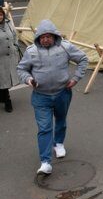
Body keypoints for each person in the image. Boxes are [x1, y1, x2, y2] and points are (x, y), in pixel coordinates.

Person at [17, 20, 88, 175]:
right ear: (38, 38)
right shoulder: (31, 51)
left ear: (54, 36)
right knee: (44, 128)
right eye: (42, 37)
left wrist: (75, 78)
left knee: (61, 119)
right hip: (41, 96)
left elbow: (83, 59)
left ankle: (59, 143)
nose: (46, 39)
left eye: (49, 36)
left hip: (62, 93)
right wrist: (29, 80)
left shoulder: (65, 47)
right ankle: (45, 162)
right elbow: (22, 69)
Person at [0, 7, 20, 112]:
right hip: (0, 59)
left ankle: (3, 97)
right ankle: (7, 101)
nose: (0, 17)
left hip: (10, 57)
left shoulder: (8, 23)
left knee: (5, 80)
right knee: (3, 80)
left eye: (1, 14)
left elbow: (15, 35)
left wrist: (15, 46)